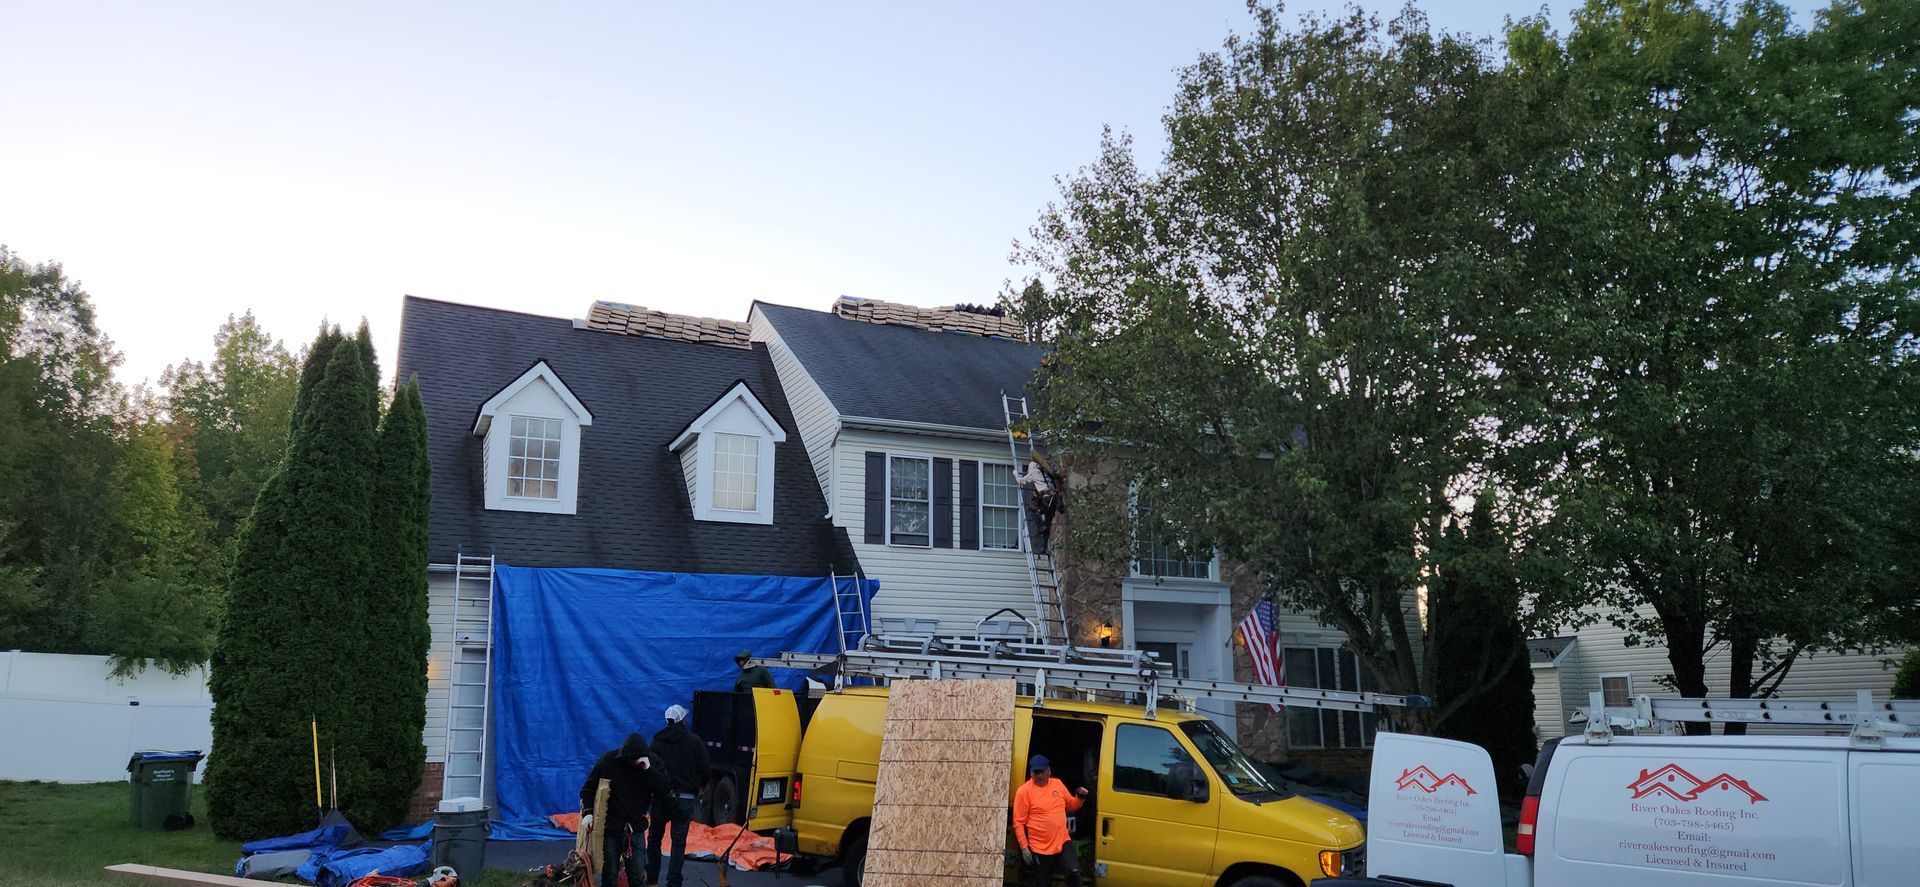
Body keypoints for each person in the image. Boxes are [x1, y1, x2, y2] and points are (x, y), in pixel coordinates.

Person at [578, 732, 664, 887]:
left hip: (635, 826)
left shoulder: (651, 763)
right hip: (612, 825)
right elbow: (588, 789)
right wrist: (588, 813)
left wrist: (649, 769)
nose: (634, 762)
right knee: (610, 874)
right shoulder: (608, 761)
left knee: (637, 875)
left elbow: (663, 789)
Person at [646, 704, 710, 887]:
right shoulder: (694, 741)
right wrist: (701, 786)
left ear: (667, 721)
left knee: (654, 839)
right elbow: (705, 769)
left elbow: (649, 769)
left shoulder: (657, 741)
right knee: (678, 843)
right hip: (685, 799)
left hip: (661, 798)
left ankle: (651, 879)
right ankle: (673, 882)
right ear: (682, 720)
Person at [1013, 754, 1089, 887]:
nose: (1040, 776)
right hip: (1040, 848)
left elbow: (1072, 805)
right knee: (1043, 883)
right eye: (1036, 773)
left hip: (1062, 841)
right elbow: (1018, 822)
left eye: (1042, 772)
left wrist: (1080, 798)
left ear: (1049, 771)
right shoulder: (1024, 792)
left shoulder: (1057, 784)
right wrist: (1024, 848)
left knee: (1074, 872)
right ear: (1031, 773)